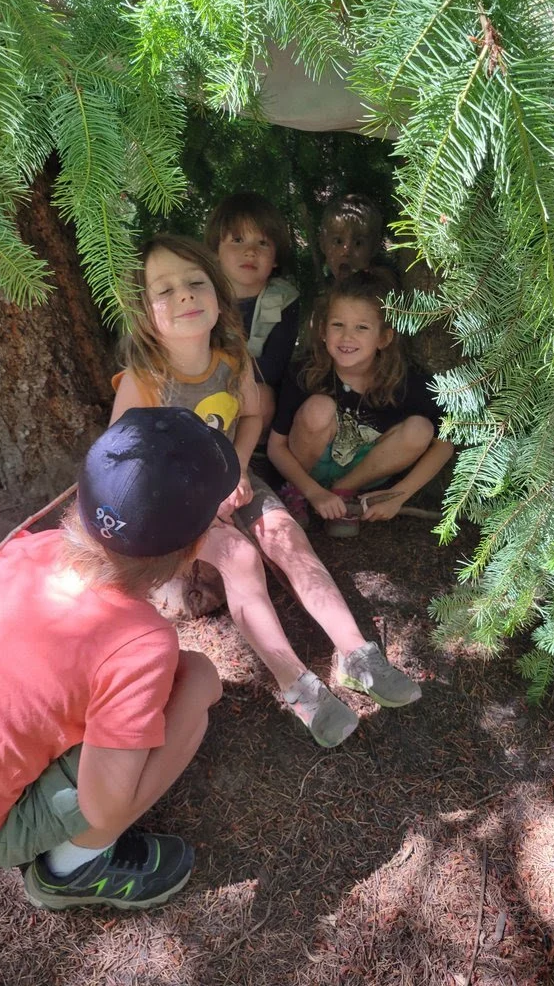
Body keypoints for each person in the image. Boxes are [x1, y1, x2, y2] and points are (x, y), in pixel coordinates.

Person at [0, 407, 241, 911]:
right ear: (194, 547)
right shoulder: (143, 645)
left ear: (80, 497)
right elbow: (102, 802)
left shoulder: (34, 547)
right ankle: (75, 868)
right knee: (198, 680)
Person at [111, 234, 422, 749]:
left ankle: (355, 652)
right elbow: (124, 467)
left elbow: (252, 415)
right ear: (144, 311)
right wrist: (199, 503)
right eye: (165, 289)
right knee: (237, 556)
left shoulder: (230, 362)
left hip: (231, 476)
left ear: (217, 294)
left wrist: (234, 465)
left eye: (195, 283)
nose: (185, 296)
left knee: (287, 536)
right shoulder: (143, 382)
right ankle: (295, 683)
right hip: (174, 502)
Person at [267, 270, 454, 536]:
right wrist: (313, 492)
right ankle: (296, 495)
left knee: (421, 429)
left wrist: (397, 496)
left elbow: (445, 444)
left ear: (384, 338)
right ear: (322, 330)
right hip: (308, 468)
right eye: (337, 325)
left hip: (365, 471)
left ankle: (344, 493)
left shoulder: (404, 380)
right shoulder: (305, 372)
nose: (346, 337)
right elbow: (276, 446)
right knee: (318, 408)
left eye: (362, 327)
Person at [205, 192, 300, 432]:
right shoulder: (200, 295)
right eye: (237, 240)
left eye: (263, 243)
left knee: (262, 397)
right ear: (216, 251)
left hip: (252, 391)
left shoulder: (283, 300)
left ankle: (249, 458)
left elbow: (272, 368)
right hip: (201, 384)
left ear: (276, 258)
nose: (250, 251)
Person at [318, 193, 397, 286]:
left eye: (358, 243)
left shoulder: (379, 288)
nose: (346, 251)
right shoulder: (324, 289)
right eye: (338, 241)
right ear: (323, 244)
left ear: (374, 247)